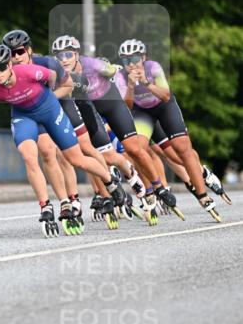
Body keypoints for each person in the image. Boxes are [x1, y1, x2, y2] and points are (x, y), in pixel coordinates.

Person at [0, 43, 127, 235]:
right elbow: (5, 98)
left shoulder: (31, 72)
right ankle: (47, 206)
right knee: (30, 156)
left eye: (1, 66)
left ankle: (110, 181)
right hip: (24, 116)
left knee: (76, 159)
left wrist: (48, 96)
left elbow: (56, 78)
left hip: (50, 110)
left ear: (10, 64)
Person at [51, 35, 178, 223]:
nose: (64, 60)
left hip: (112, 105)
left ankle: (158, 187)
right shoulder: (59, 74)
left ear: (77, 54)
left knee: (134, 149)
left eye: (68, 55)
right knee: (100, 155)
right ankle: (109, 192)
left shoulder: (91, 64)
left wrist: (116, 75)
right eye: (59, 56)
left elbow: (114, 73)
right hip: (90, 110)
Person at [114, 39, 224, 221]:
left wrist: (146, 82)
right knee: (136, 149)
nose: (131, 64)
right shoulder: (120, 76)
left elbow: (165, 95)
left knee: (181, 149)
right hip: (142, 112)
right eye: (126, 61)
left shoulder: (153, 67)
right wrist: (132, 86)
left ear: (144, 57)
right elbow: (127, 105)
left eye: (135, 58)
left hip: (164, 106)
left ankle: (203, 194)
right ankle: (152, 191)